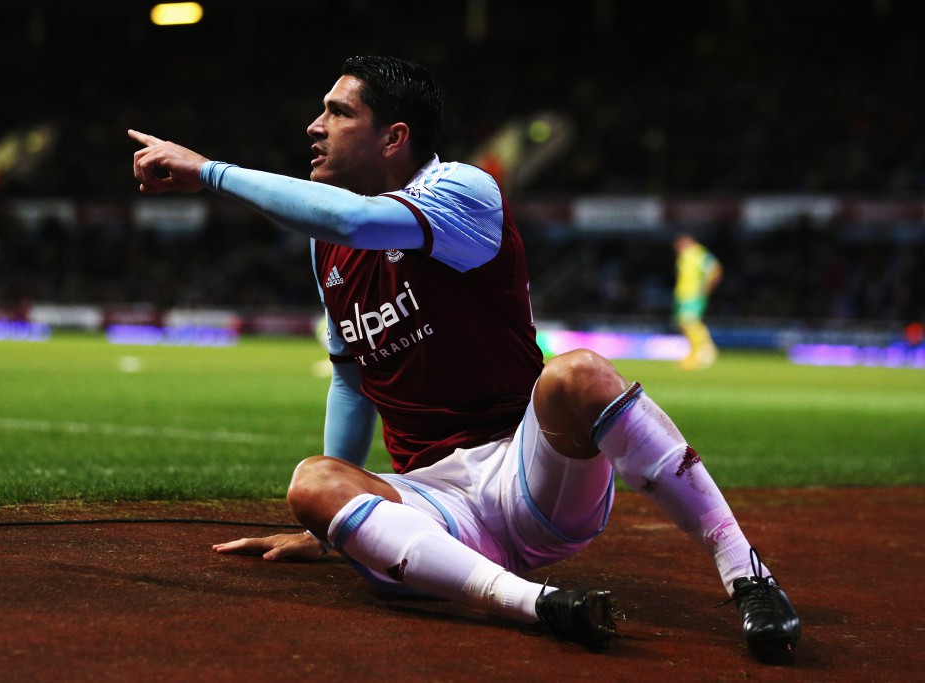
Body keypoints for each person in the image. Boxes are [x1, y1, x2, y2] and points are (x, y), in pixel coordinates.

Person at [129, 55, 800, 663]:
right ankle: (536, 603)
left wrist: (210, 171)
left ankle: (747, 572)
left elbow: (357, 222)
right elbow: (350, 377)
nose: (315, 126)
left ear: (394, 138)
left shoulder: (462, 190)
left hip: (530, 473)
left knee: (580, 372)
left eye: (337, 112)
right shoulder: (322, 249)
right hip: (436, 503)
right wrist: (330, 529)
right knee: (312, 482)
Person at [672, 233, 723, 370]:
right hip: (683, 294)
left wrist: (707, 287)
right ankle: (699, 350)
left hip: (693, 294)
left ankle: (703, 352)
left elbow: (715, 269)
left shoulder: (698, 253)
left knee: (690, 321)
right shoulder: (684, 256)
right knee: (685, 323)